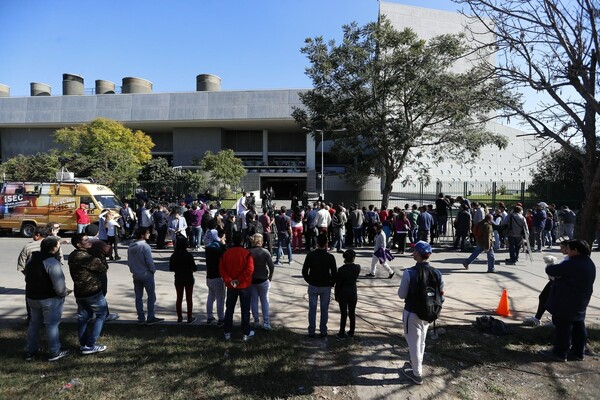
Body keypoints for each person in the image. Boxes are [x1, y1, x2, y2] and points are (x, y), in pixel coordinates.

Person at [540, 239, 596, 362]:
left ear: (575, 250)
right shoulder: (589, 262)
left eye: (569, 249)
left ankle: (560, 353)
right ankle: (578, 352)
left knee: (563, 326)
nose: (567, 251)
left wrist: (551, 264)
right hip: (581, 300)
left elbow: (552, 270)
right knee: (578, 325)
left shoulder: (573, 263)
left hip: (567, 300)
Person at [397, 241, 444, 385]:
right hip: (429, 313)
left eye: (414, 251)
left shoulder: (409, 273)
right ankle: (415, 365)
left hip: (412, 312)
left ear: (417, 253)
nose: (413, 252)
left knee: (413, 343)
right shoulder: (437, 272)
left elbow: (402, 294)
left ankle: (417, 373)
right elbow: (441, 295)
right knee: (421, 342)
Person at [25, 237, 71, 362]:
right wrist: (63, 293)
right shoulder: (52, 262)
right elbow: (59, 285)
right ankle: (54, 351)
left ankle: (30, 350)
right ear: (54, 248)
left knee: (34, 323)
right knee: (51, 325)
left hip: (32, 296)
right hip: (49, 299)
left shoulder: (32, 259)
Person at [68, 233, 109, 355]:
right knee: (102, 314)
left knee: (83, 317)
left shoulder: (72, 255)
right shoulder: (86, 258)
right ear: (79, 244)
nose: (89, 241)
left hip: (80, 292)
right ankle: (91, 344)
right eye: (86, 240)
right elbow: (102, 268)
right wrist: (99, 258)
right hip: (92, 291)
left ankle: (84, 344)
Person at [220, 231, 255, 341]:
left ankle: (227, 332)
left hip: (231, 287)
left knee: (229, 310)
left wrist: (230, 280)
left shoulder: (226, 253)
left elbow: (222, 269)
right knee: (245, 310)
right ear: (242, 241)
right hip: (244, 285)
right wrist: (239, 280)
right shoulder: (246, 253)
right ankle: (245, 333)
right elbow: (250, 270)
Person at [302, 233, 337, 338]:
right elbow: (334, 273)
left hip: (313, 284)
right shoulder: (330, 257)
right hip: (325, 286)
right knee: (324, 309)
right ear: (326, 244)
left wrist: (309, 280)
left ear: (317, 243)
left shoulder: (310, 255)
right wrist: (331, 283)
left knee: (312, 309)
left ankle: (311, 331)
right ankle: (323, 331)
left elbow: (304, 271)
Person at [128, 227, 164, 325]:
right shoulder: (145, 246)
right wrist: (153, 270)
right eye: (147, 233)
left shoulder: (131, 246)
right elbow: (149, 261)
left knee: (138, 297)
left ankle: (141, 317)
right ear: (142, 235)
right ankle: (150, 317)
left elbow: (129, 261)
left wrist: (133, 271)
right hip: (146, 274)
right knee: (151, 296)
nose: (149, 234)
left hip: (136, 275)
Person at [249, 233, 275, 330]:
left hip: (252, 280)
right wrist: (270, 277)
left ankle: (256, 321)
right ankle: (266, 322)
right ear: (261, 241)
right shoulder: (265, 252)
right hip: (263, 279)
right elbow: (271, 266)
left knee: (254, 301)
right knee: (265, 301)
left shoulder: (249, 252)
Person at [169, 237, 197, 323]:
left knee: (179, 298)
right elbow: (194, 268)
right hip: (188, 278)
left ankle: (179, 317)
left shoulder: (174, 255)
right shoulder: (189, 255)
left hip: (178, 278)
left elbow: (171, 268)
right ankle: (189, 317)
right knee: (189, 298)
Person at [334, 249, 361, 340]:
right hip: (353, 291)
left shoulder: (341, 270)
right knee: (352, 312)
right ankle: (351, 331)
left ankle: (341, 332)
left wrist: (336, 295)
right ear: (353, 258)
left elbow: (338, 284)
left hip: (343, 292)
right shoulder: (357, 268)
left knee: (343, 313)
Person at [205, 230, 227, 326]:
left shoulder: (208, 248)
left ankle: (209, 316)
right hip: (218, 276)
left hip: (209, 276)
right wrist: (223, 245)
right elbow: (225, 256)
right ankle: (221, 318)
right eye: (224, 237)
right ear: (220, 237)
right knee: (220, 299)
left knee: (211, 297)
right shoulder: (219, 248)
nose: (225, 239)